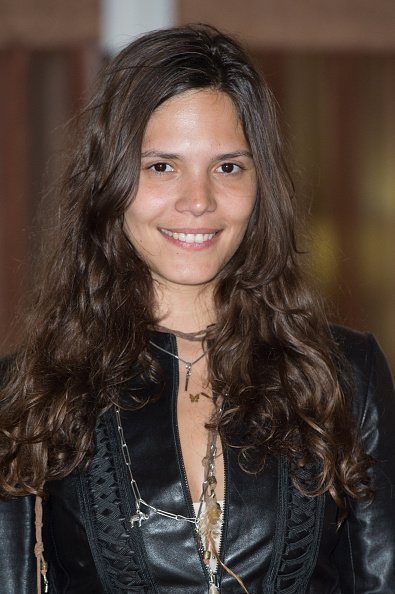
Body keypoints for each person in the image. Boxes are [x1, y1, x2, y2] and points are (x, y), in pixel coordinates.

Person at [0, 24, 394, 594]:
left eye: (228, 166)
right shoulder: (30, 395)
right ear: (110, 182)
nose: (199, 200)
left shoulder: (346, 377)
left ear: (262, 184)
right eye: (162, 165)